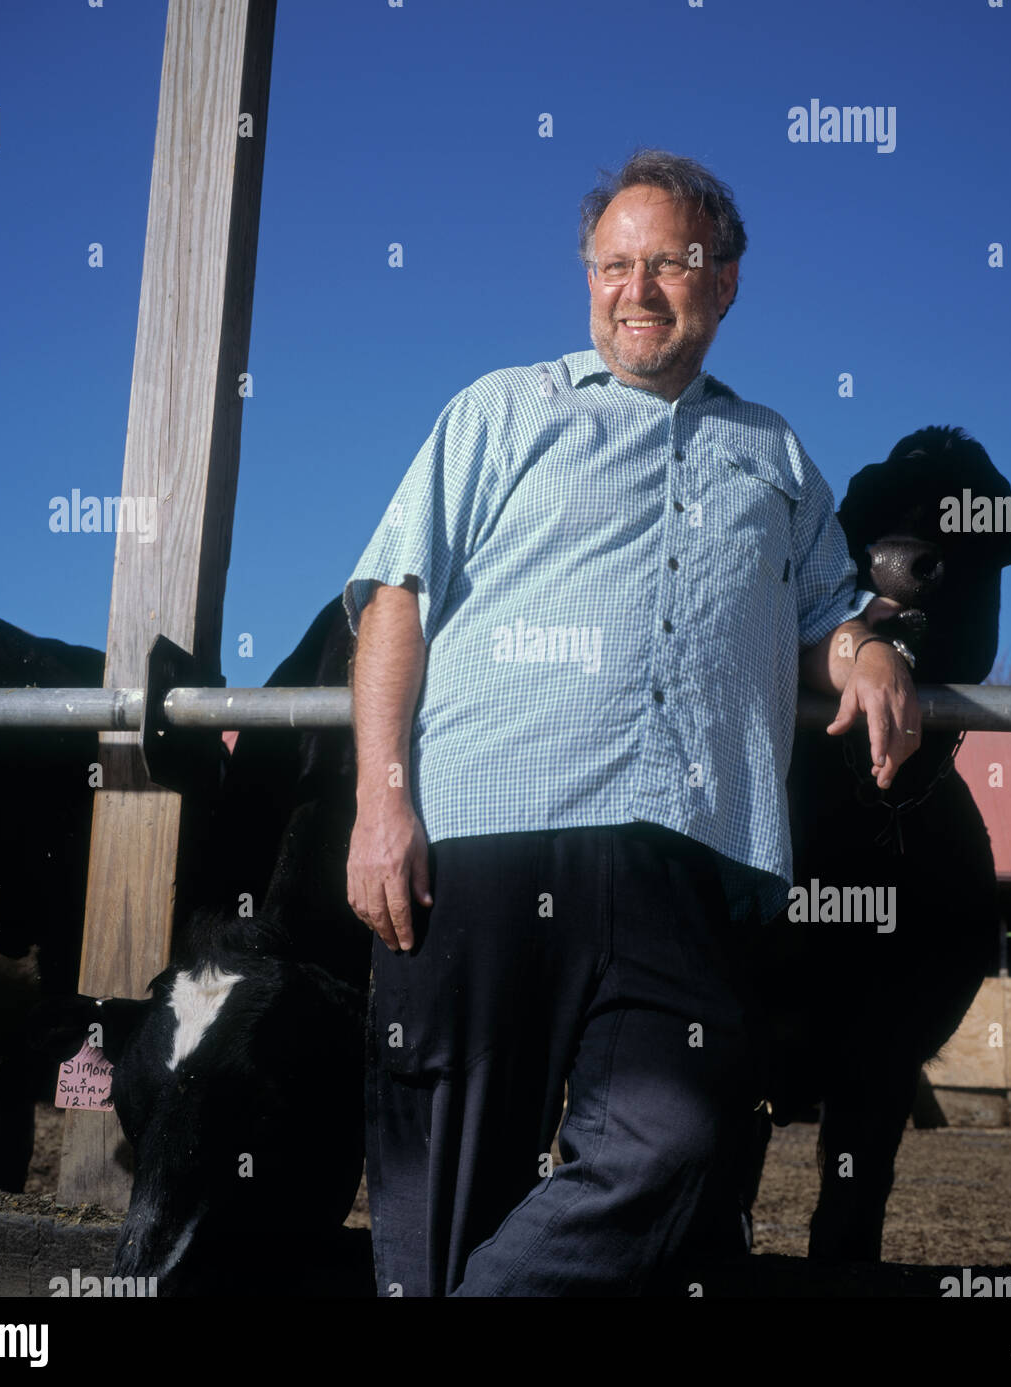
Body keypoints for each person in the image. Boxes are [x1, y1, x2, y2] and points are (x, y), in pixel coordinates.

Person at [342, 149, 919, 1297]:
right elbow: (395, 595)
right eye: (614, 264)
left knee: (677, 1141)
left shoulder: (777, 452)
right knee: (440, 1186)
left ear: (728, 280)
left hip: (688, 849)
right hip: (485, 837)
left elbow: (822, 615)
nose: (637, 289)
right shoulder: (503, 408)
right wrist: (381, 798)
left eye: (670, 262)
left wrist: (866, 647)